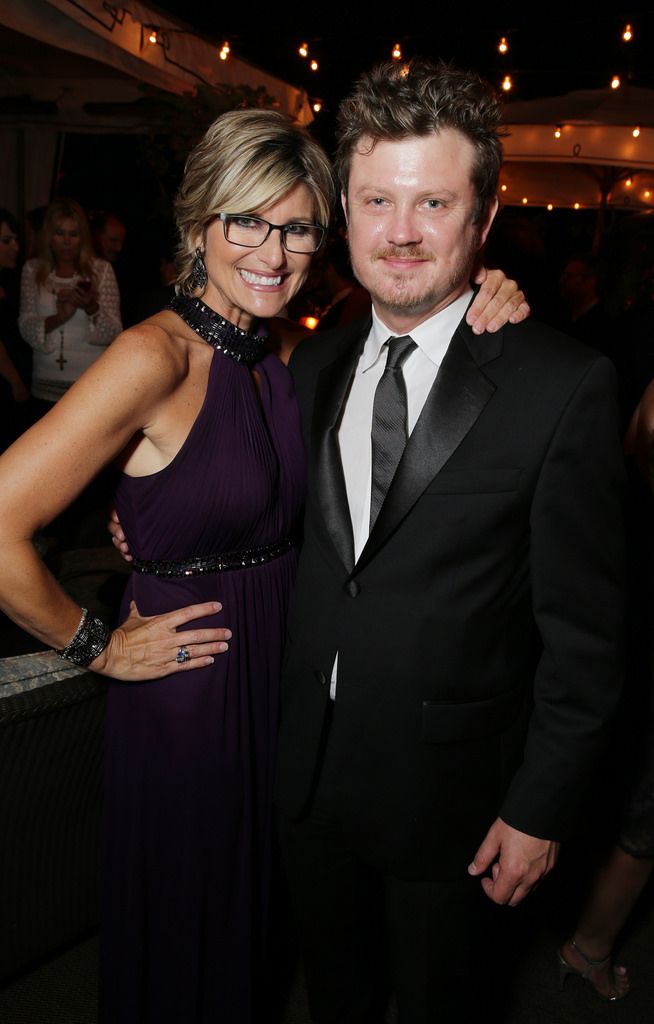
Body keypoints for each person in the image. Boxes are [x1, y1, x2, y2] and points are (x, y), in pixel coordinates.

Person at [272, 60, 626, 1023]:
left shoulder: (564, 387)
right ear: (343, 207)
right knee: (335, 1001)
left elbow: (588, 637)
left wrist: (541, 808)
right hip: (305, 779)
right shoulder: (313, 363)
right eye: (377, 199)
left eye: (433, 200)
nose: (400, 232)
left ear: (484, 211)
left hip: (457, 804)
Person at [18, 198, 122, 406]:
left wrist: (91, 307)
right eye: (60, 233)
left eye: (73, 234)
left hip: (89, 388)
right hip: (44, 388)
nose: (66, 241)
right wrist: (60, 317)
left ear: (82, 237)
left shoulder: (101, 271)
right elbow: (25, 326)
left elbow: (114, 331)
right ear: (49, 236)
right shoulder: (32, 270)